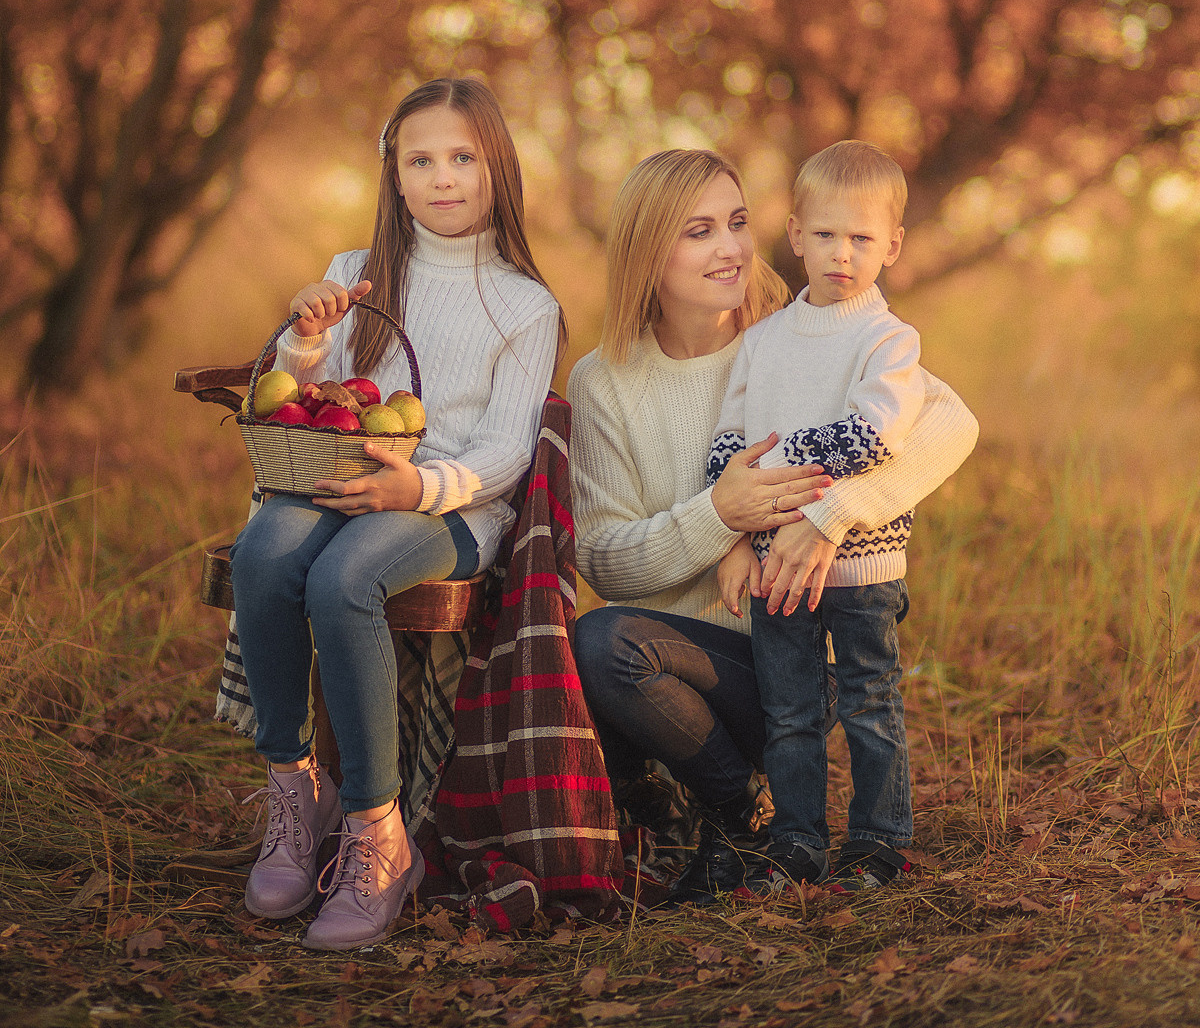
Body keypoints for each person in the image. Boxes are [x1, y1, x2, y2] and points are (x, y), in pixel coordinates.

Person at [568, 148, 978, 905]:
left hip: (802, 638)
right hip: (681, 669)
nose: (730, 248)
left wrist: (828, 518)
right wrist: (720, 517)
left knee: (843, 694)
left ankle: (799, 828)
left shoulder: (798, 330)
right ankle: (739, 816)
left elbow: (949, 422)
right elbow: (602, 559)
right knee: (599, 642)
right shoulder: (604, 382)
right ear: (646, 250)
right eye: (698, 231)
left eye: (737, 222)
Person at [229, 77, 564, 950]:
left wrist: (417, 488)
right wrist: (308, 338)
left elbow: (506, 450)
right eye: (421, 160)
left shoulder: (525, 304)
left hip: (452, 507)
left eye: (462, 158)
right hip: (341, 476)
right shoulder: (357, 274)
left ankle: (378, 832)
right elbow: (308, 395)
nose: (442, 177)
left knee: (346, 577)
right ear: (395, 174)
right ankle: (295, 792)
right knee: (263, 551)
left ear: (497, 168)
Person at [709, 140, 958, 893]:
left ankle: (879, 840)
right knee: (789, 712)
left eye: (861, 238)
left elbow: (874, 435)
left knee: (869, 704)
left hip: (864, 566)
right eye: (824, 234)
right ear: (795, 235)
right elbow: (728, 443)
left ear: (893, 245)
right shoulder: (761, 342)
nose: (841, 253)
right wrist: (736, 521)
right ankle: (797, 840)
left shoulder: (889, 340)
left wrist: (779, 469)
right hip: (775, 566)